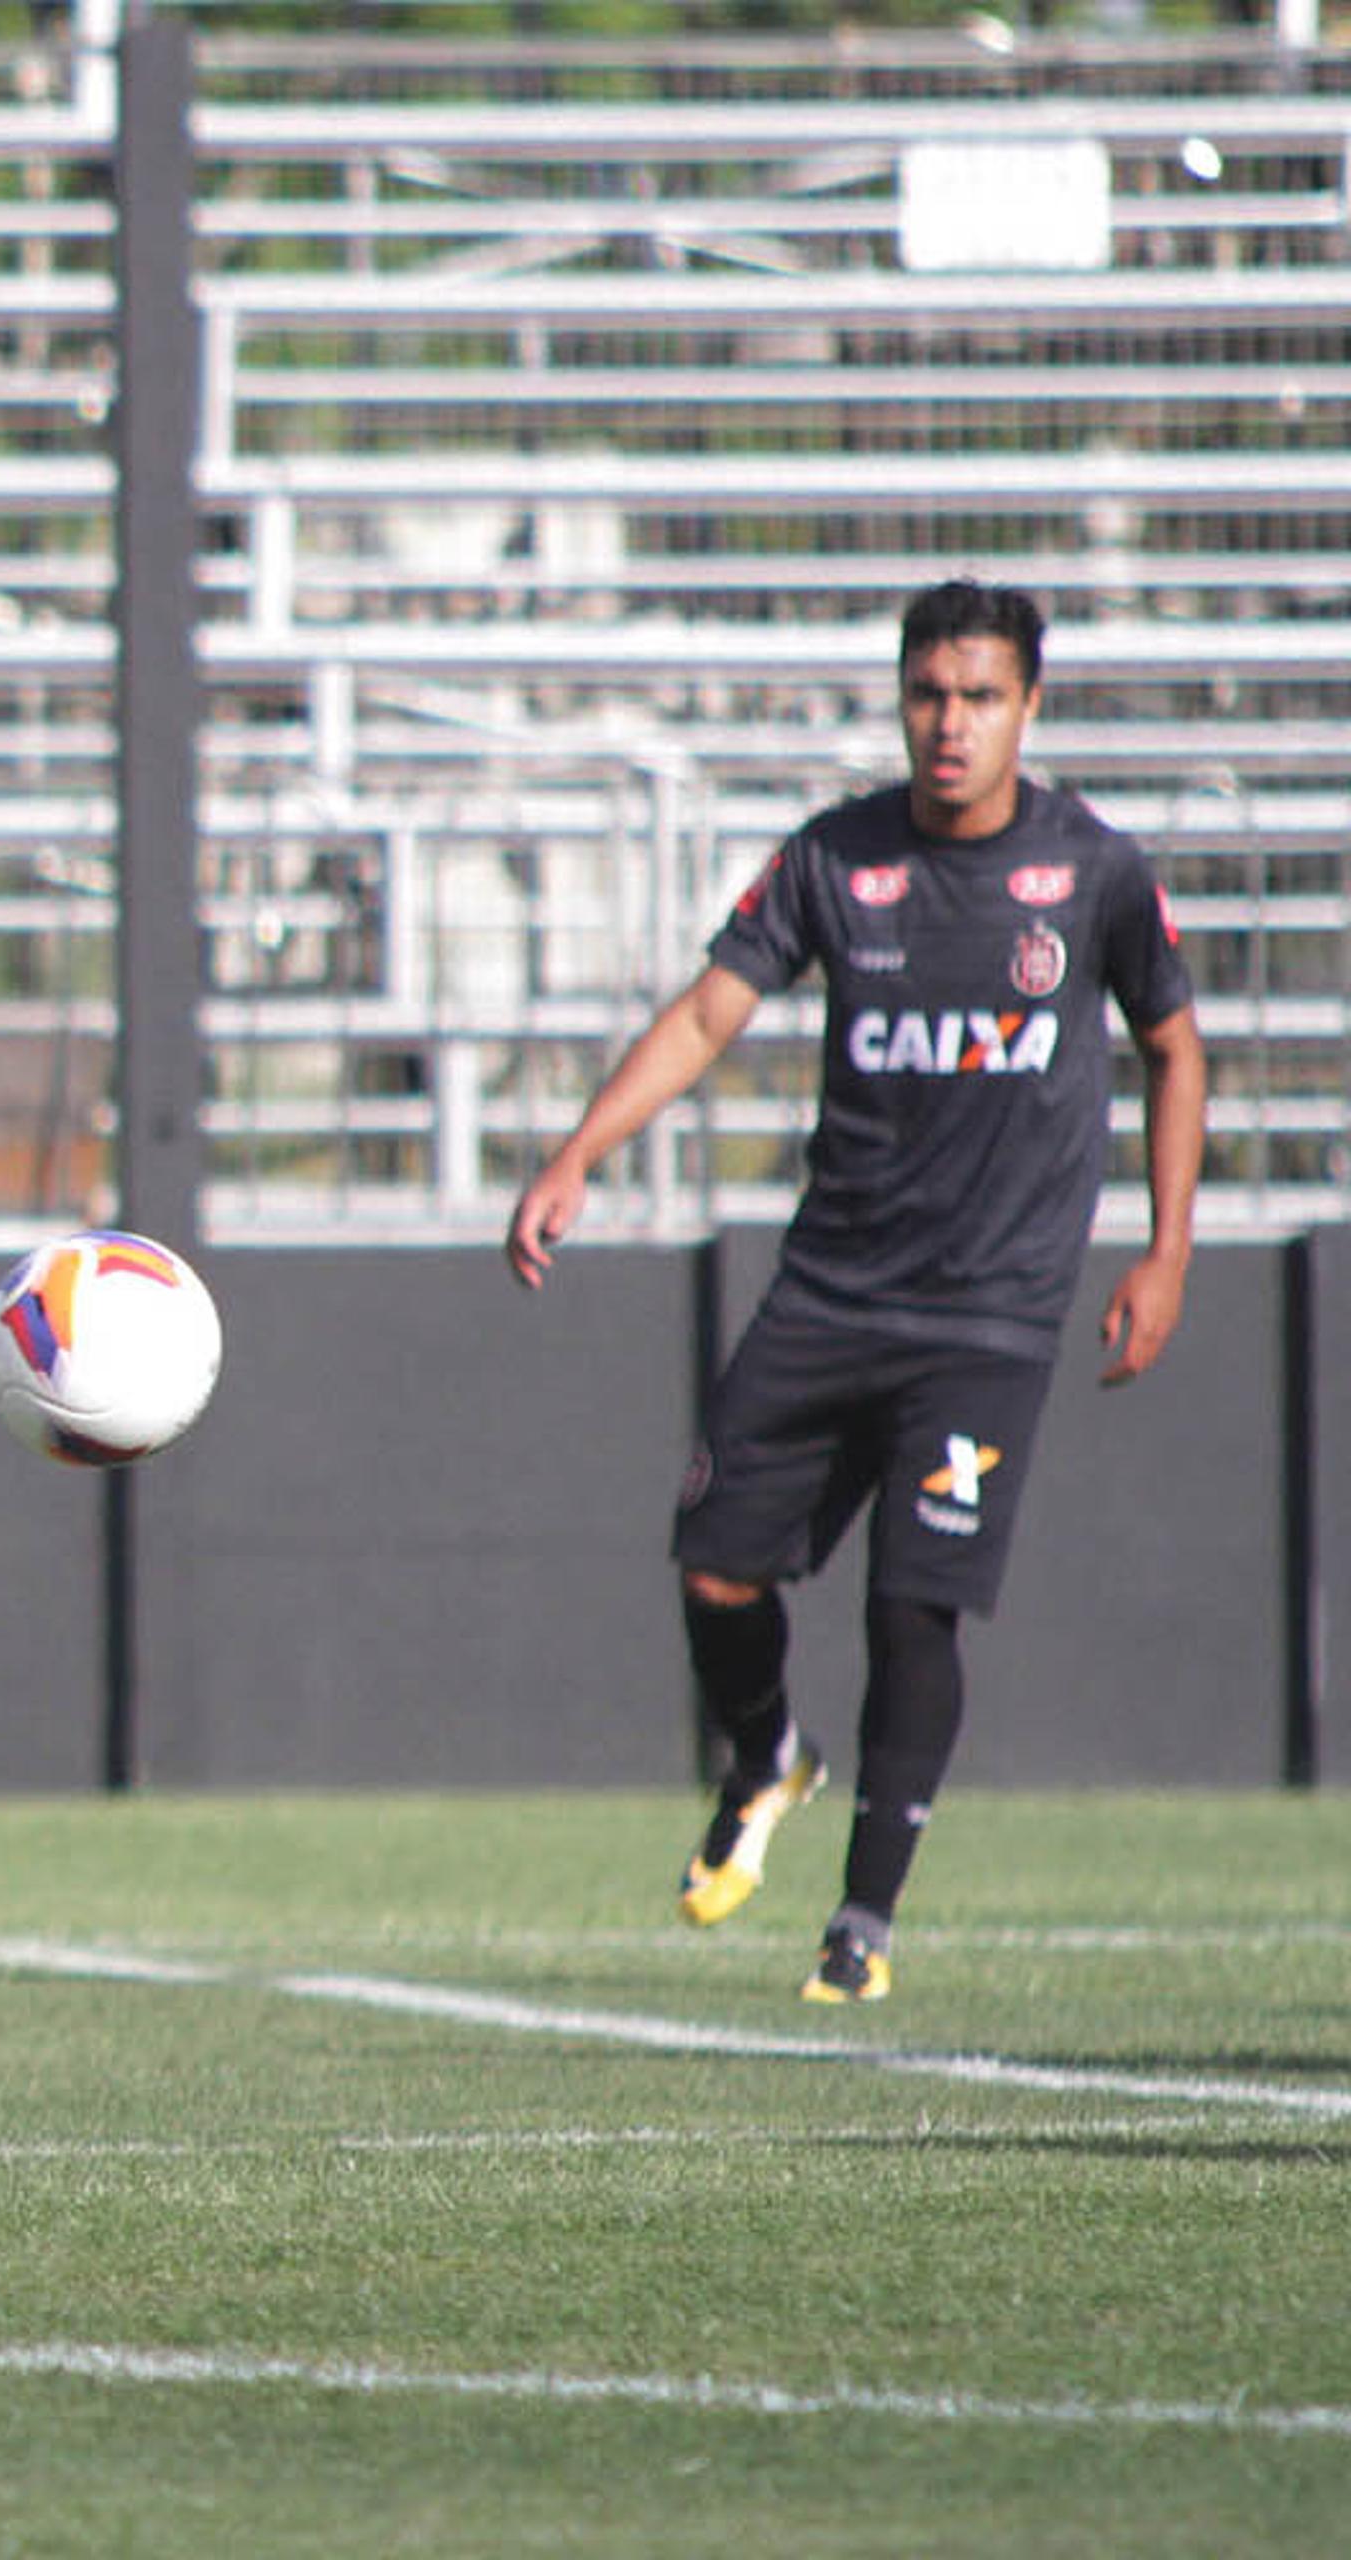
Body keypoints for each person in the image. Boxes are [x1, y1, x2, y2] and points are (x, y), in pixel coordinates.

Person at [506, 577, 1204, 2004]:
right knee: (712, 1562)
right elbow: (713, 1009)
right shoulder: (837, 858)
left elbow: (1174, 1047)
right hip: (833, 1286)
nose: (951, 726)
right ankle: (766, 1752)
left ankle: (865, 1918)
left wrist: (1166, 1246)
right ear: (901, 700)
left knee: (914, 1601)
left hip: (994, 1308)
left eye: (982, 697)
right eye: (929, 696)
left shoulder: (1093, 872)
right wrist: (582, 1149)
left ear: (1030, 707)